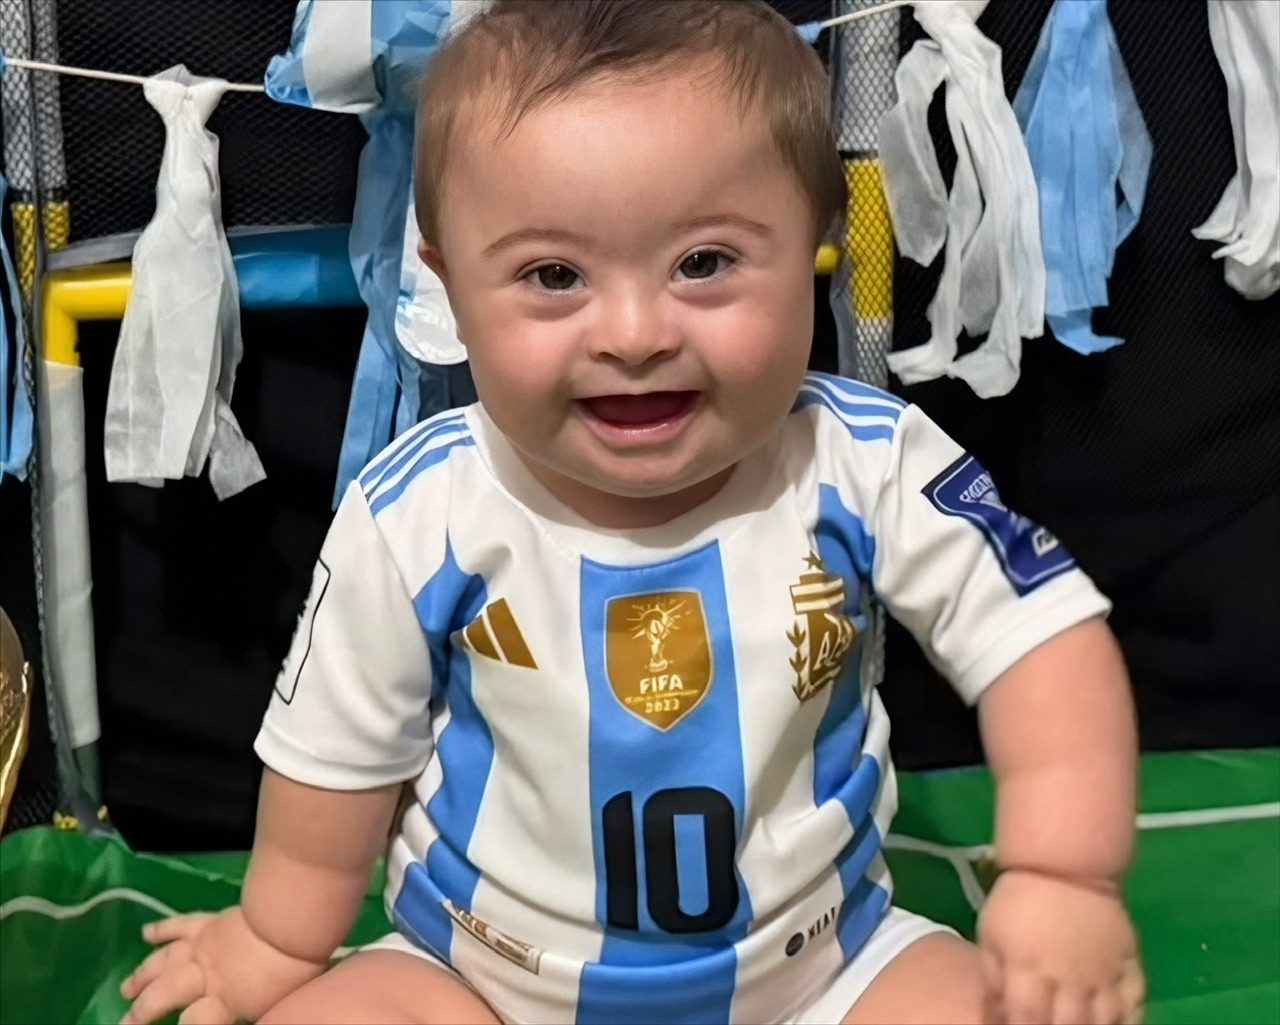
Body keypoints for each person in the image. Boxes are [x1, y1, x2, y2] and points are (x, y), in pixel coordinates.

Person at [119, 2, 1144, 1023]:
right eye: (553, 275)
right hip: (480, 976)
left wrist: (1063, 876)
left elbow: (1040, 640)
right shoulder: (419, 509)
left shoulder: (866, 461)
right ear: (448, 287)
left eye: (704, 263)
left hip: (823, 969)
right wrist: (276, 938)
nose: (634, 333)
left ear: (814, 242)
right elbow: (333, 760)